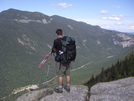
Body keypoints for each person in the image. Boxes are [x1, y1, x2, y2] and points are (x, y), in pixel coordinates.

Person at [52, 29, 71, 93]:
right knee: (67, 74)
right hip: (68, 59)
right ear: (62, 33)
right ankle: (68, 87)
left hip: (61, 60)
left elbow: (54, 49)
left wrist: (53, 50)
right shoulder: (67, 39)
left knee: (60, 74)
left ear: (56, 34)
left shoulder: (56, 41)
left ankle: (60, 88)